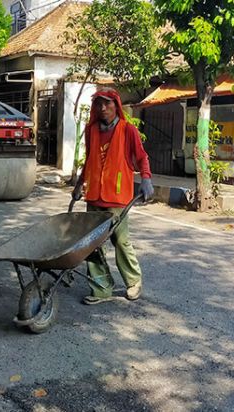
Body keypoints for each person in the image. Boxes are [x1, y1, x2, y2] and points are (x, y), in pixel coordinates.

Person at [71, 87, 154, 305]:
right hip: (94, 197)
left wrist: (146, 179)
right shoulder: (92, 130)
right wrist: (80, 184)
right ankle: (101, 289)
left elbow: (142, 157)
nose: (103, 108)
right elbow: (89, 159)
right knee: (91, 244)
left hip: (117, 199)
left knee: (121, 241)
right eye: (99, 104)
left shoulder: (128, 130)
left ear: (116, 106)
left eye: (107, 103)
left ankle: (133, 281)